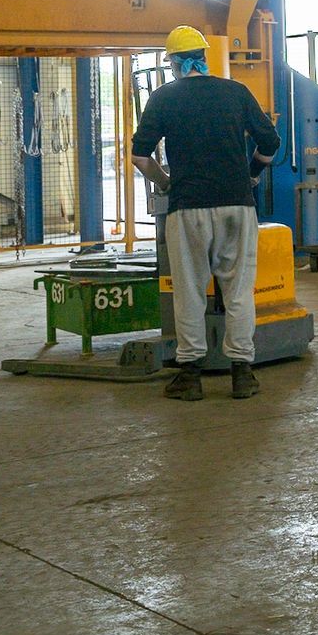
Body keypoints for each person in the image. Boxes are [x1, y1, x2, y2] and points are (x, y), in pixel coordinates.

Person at [131, 25, 281, 401]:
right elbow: (270, 143)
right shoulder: (236, 92)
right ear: (204, 56)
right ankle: (242, 374)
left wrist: (165, 182)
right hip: (237, 205)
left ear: (175, 63)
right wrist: (250, 174)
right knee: (239, 291)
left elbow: (139, 156)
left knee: (189, 292)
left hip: (189, 207)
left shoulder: (164, 98)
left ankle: (190, 376)